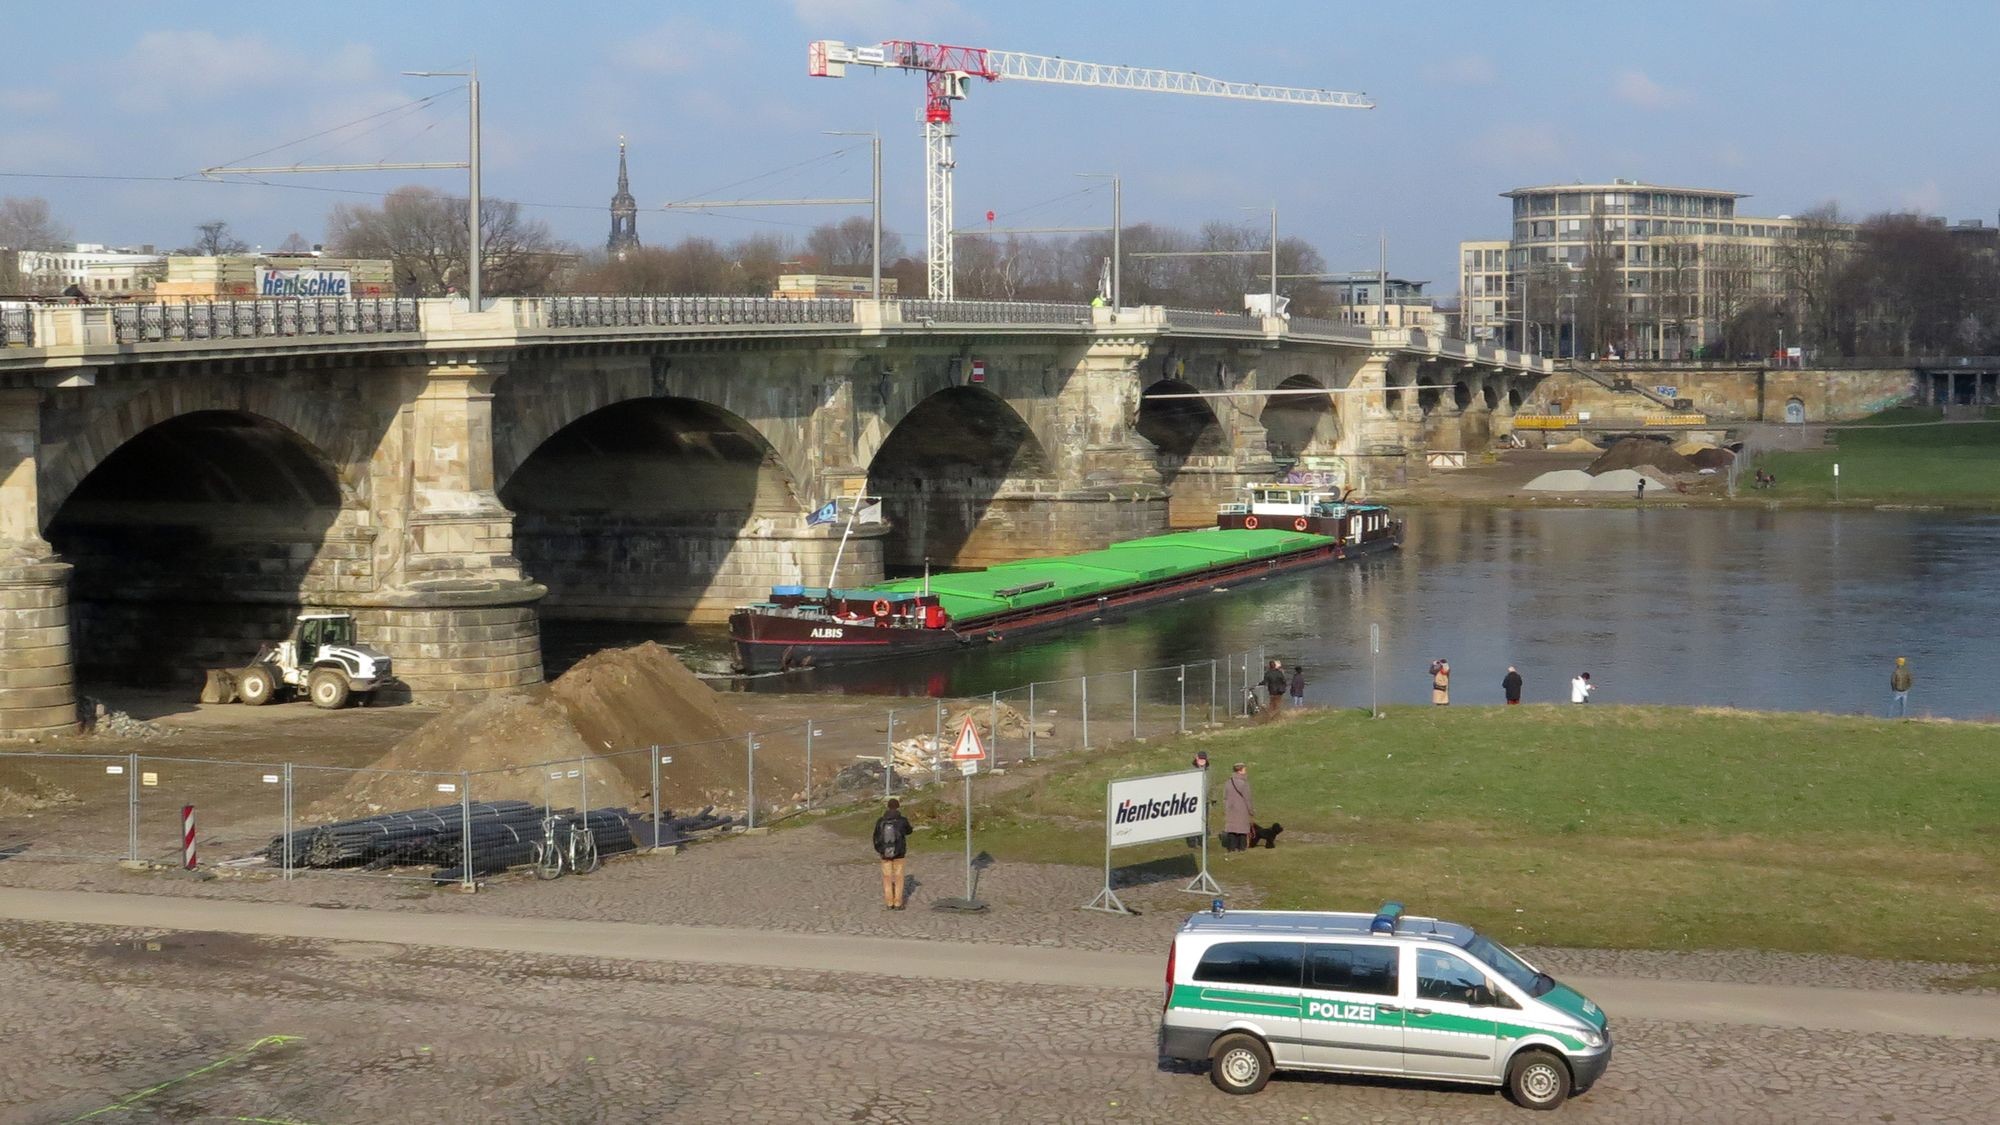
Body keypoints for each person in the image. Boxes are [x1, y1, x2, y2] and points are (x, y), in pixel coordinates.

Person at [872, 798, 913, 910]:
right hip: (899, 853)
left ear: (888, 807)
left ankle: (889, 903)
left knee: (887, 878)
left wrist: (880, 850)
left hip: (885, 854)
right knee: (899, 878)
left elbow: (875, 836)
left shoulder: (881, 821)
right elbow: (909, 831)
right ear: (898, 807)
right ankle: (898, 903)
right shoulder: (902, 820)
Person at [1222, 763, 1253, 853]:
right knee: (1242, 829)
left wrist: (1227, 807)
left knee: (1232, 829)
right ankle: (1242, 847)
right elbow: (1248, 798)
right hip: (1242, 809)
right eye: (1244, 769)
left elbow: (1225, 797)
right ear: (1240, 771)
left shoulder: (1228, 782)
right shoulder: (1244, 783)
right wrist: (1251, 810)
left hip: (1231, 809)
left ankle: (1232, 847)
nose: (1245, 771)